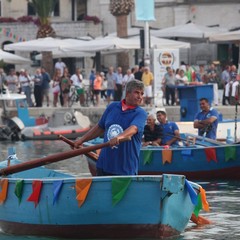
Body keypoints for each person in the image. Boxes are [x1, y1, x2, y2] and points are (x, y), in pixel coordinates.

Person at [73, 80, 147, 176]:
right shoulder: (112, 107)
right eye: (137, 93)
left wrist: (118, 137)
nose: (140, 97)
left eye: (142, 94)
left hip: (125, 169)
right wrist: (81, 140)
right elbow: (100, 127)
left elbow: (133, 129)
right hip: (104, 165)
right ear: (128, 93)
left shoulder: (140, 113)